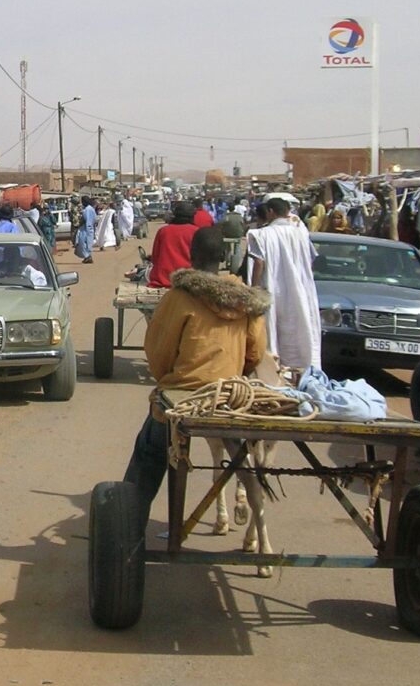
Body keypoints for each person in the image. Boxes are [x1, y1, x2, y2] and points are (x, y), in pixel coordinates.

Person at [121, 227, 270, 514]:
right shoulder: (246, 300)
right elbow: (256, 352)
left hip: (184, 395)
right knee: (239, 451)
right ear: (225, 256)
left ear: (191, 256)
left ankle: (130, 521)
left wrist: (169, 380)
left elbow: (158, 351)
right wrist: (232, 372)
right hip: (229, 396)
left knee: (149, 451)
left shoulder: (179, 296)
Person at [246, 196, 321, 371]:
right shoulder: (301, 233)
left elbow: (259, 263)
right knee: (299, 325)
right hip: (300, 289)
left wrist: (254, 290)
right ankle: (300, 369)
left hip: (273, 289)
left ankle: (275, 370)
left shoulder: (262, 234)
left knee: (272, 329)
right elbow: (311, 258)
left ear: (270, 212)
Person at [147, 202, 200, 289]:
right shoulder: (197, 232)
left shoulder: (163, 231)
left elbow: (155, 258)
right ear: (192, 216)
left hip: (163, 280)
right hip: (189, 280)